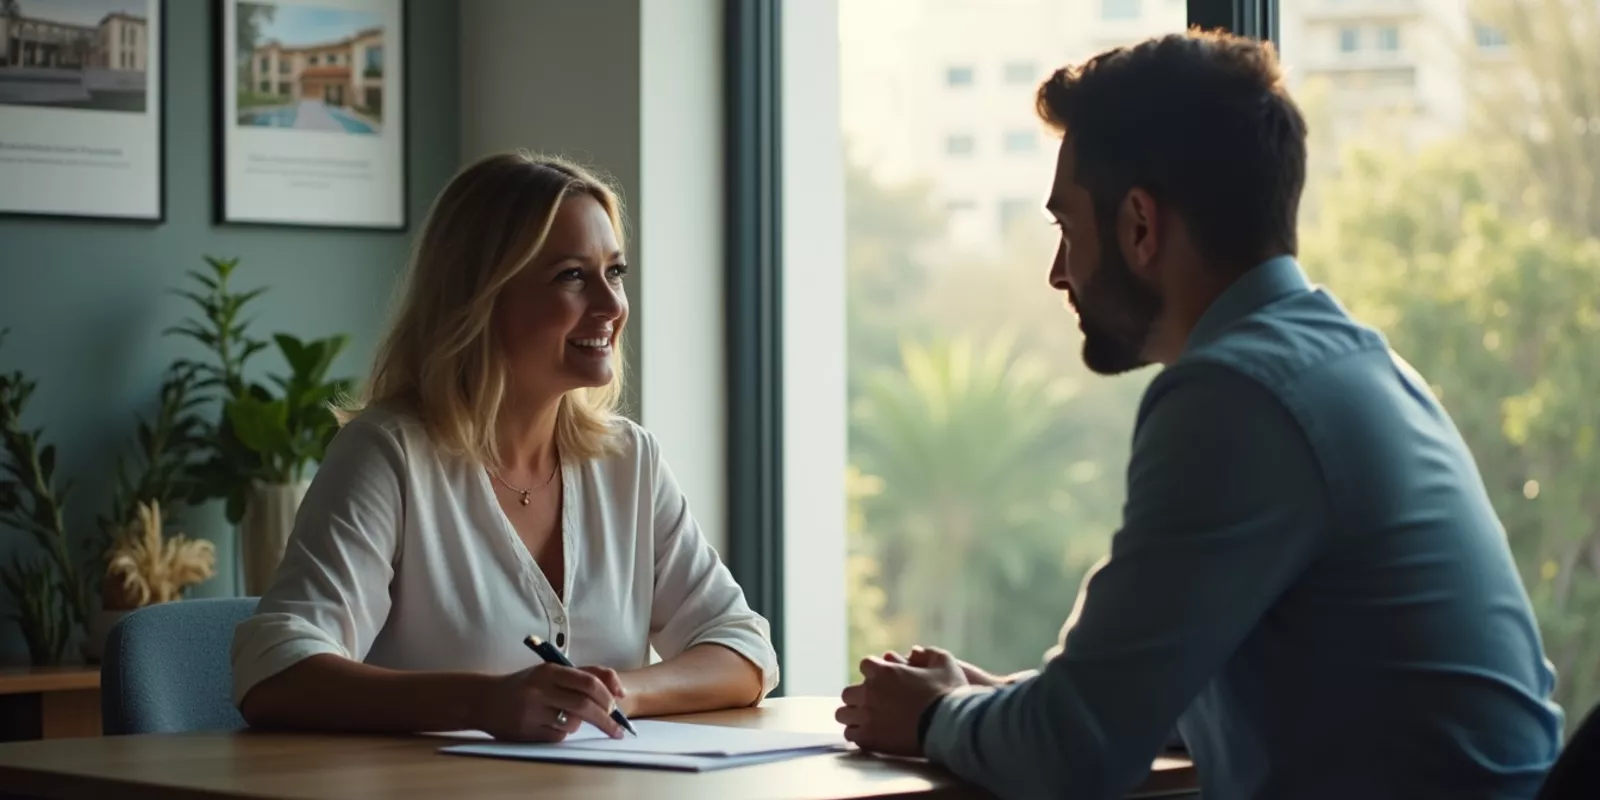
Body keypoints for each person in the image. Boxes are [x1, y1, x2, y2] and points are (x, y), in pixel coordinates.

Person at [836, 30, 1565, 799]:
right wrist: (997, 702)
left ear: (1140, 227)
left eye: (1067, 230)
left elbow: (1075, 754)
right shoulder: (1351, 365)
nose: (1058, 273)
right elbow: (1167, 698)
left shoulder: (1238, 396)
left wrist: (933, 719)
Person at [231, 152, 778, 742]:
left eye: (614, 272)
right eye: (572, 275)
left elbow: (743, 649)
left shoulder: (629, 461)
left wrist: (609, 693)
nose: (612, 306)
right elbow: (275, 672)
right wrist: (481, 704)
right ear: (481, 296)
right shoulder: (389, 454)